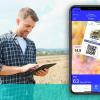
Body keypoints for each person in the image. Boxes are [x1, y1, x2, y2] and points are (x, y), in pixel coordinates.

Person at [0, 7, 48, 84]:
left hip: (28, 94)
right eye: (27, 26)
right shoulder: (2, 40)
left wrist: (38, 72)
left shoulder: (31, 44)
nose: (30, 30)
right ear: (18, 21)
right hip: (8, 95)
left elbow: (30, 69)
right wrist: (21, 69)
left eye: (32, 27)